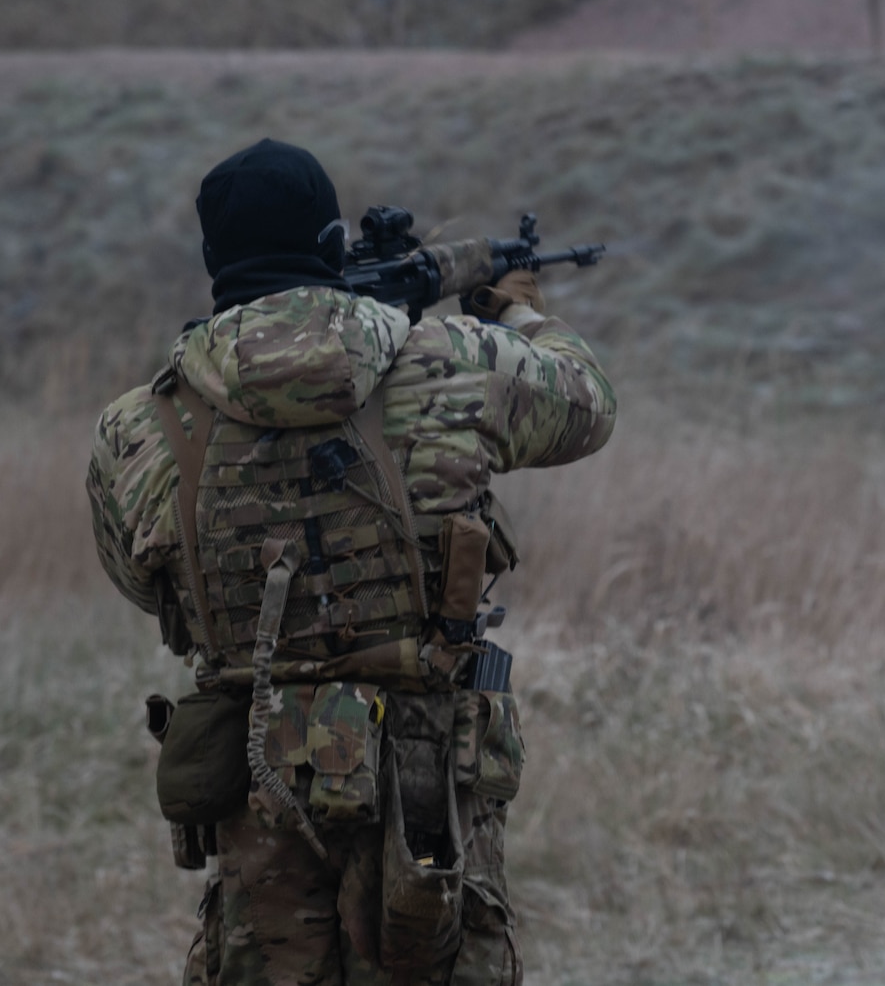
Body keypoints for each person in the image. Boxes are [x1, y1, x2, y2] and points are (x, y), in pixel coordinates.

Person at [86, 138, 616, 986]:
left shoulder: (138, 426)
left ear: (214, 263)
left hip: (256, 786)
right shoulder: (448, 361)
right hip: (426, 795)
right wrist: (515, 311)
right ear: (333, 248)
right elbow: (588, 403)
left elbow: (141, 582)